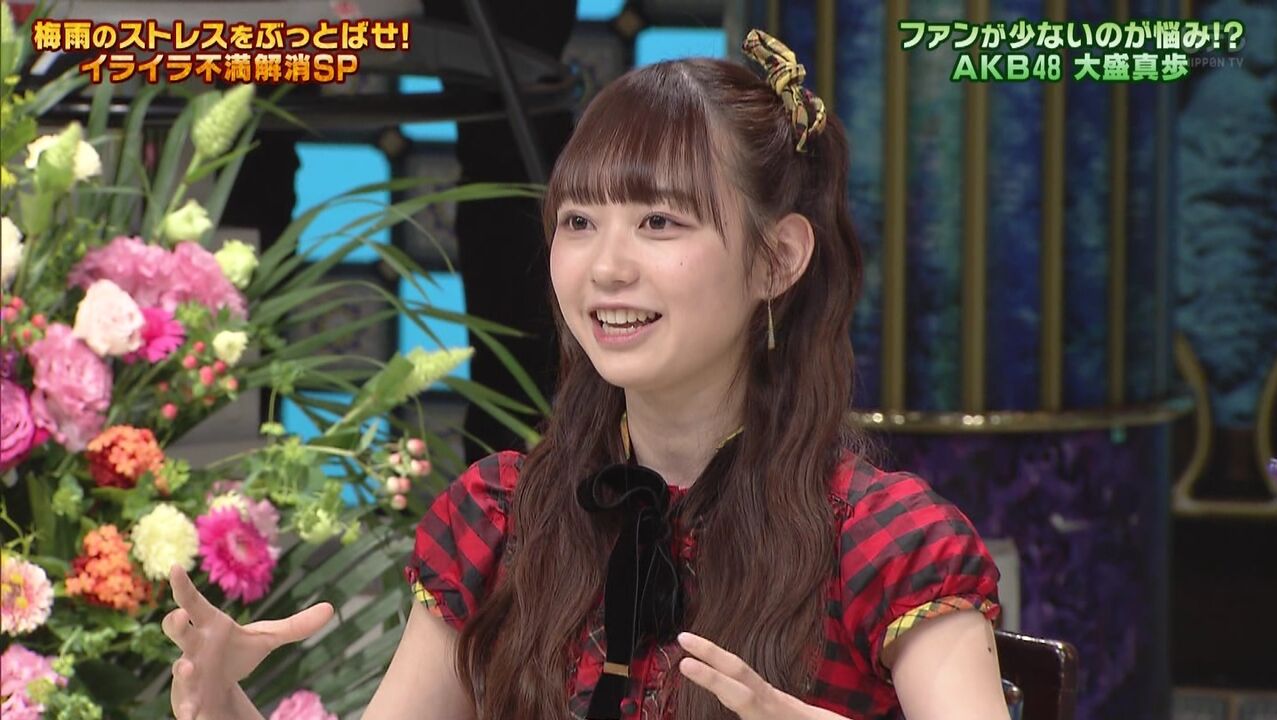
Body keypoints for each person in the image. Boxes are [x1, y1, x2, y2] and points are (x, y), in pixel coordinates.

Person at [164, 30, 1008, 720]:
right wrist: (225, 705)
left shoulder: (888, 543)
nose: (606, 268)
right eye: (578, 221)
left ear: (777, 258)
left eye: (659, 222)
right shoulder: (502, 518)